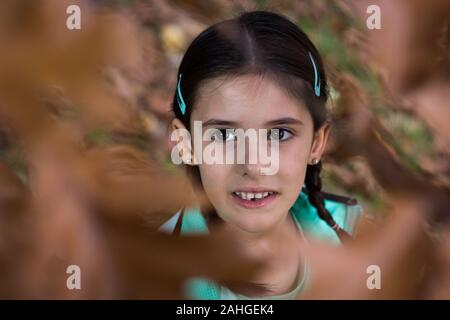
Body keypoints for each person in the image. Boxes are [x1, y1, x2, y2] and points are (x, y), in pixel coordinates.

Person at [159, 10, 363, 299]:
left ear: (316, 142)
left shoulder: (354, 236)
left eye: (279, 134)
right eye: (225, 135)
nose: (253, 165)